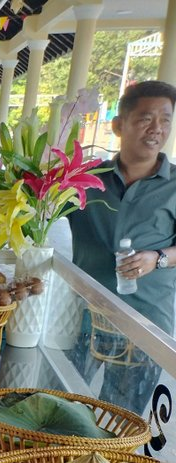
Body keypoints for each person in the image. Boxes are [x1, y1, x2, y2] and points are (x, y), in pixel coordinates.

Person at [67, 80, 176, 413]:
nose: (157, 128)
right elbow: (36, 209)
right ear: (119, 124)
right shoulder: (85, 178)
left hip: (145, 320)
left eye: (166, 119)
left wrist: (157, 258)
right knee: (62, 402)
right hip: (83, 315)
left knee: (121, 418)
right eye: (146, 117)